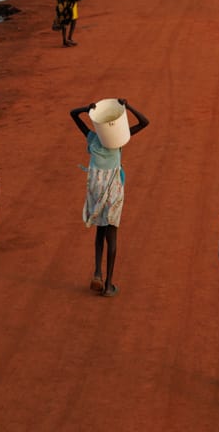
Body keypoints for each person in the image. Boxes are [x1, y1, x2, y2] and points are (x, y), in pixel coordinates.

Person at [69, 99, 150, 297]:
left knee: (100, 231)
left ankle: (97, 273)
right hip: (113, 189)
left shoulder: (93, 139)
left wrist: (87, 109)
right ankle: (108, 284)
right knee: (111, 236)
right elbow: (144, 122)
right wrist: (127, 107)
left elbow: (73, 114)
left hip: (96, 189)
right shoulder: (118, 140)